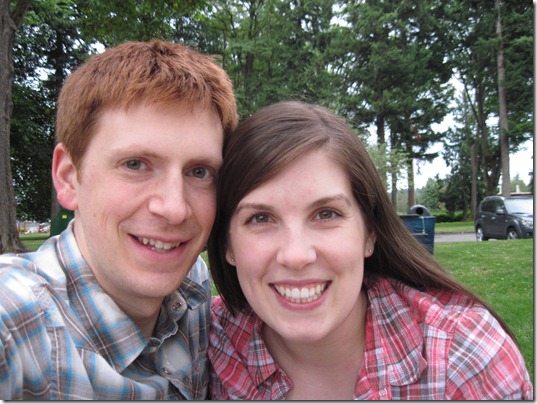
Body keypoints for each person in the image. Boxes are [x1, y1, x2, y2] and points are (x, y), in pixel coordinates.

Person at [207, 101, 533, 400]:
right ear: (227, 244)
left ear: (369, 232)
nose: (296, 255)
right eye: (260, 218)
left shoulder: (464, 360)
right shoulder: (209, 342)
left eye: (326, 214)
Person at [0, 40, 237, 400]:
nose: (174, 208)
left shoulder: (193, 284)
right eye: (135, 164)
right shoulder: (19, 323)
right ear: (68, 178)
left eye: (199, 171)